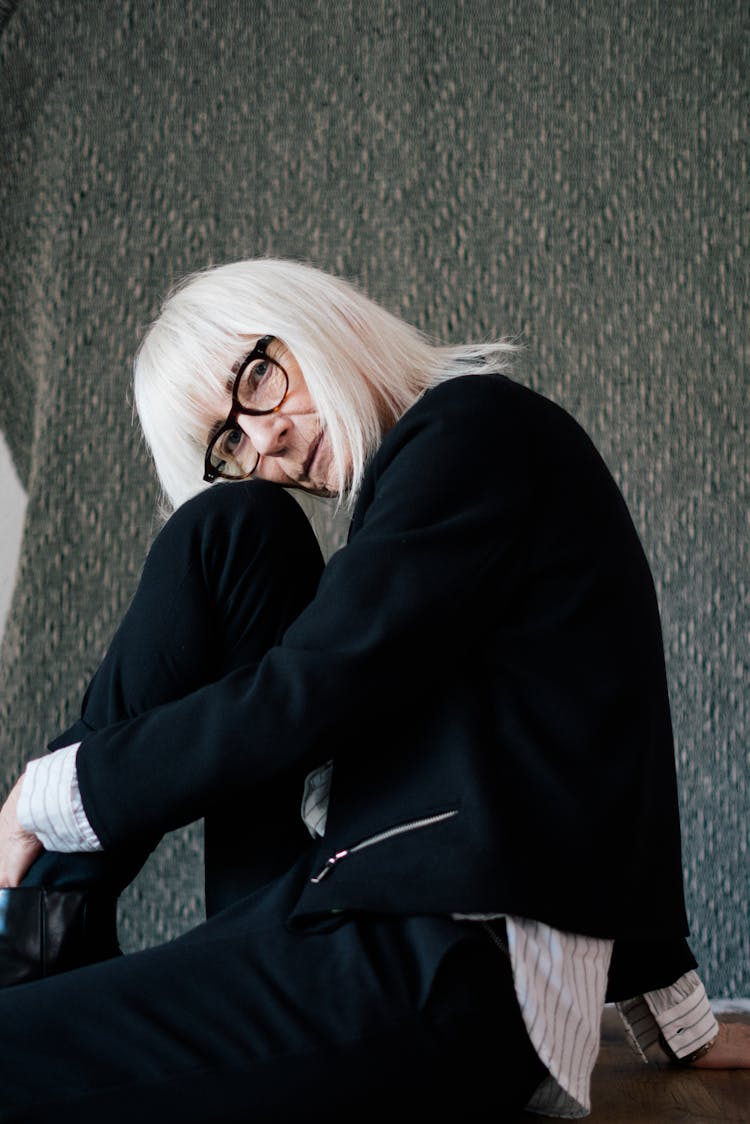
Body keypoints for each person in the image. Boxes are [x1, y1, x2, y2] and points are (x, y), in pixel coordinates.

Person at [0, 259, 745, 1121]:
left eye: (256, 378)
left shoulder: (471, 427)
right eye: (228, 443)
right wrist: (681, 1019)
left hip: (436, 967)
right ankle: (41, 929)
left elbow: (305, 691)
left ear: (315, 318)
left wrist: (46, 794)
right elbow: (584, 733)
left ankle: (29, 917)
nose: (263, 439)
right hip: (340, 916)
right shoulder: (431, 493)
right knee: (232, 529)